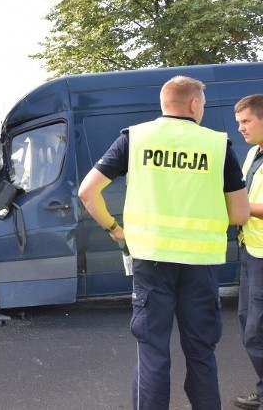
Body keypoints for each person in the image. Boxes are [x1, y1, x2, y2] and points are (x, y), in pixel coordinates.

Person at [78, 75, 250, 410]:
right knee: (201, 353)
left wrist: (116, 229)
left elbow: (87, 192)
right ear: (194, 104)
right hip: (200, 264)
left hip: (151, 261)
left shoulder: (136, 138)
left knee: (152, 352)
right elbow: (240, 213)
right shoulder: (216, 145)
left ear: (164, 103)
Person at [235, 94, 263, 410]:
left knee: (258, 331)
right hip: (250, 249)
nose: (241, 128)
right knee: (246, 321)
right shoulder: (252, 153)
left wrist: (236, 207)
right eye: (239, 122)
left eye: (246, 121)